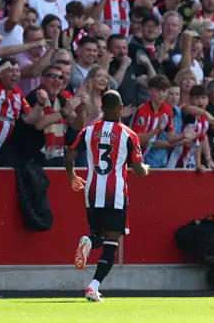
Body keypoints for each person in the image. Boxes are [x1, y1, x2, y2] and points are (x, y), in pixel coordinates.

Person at [66, 90, 150, 302]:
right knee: (111, 243)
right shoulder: (129, 134)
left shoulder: (88, 130)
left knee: (98, 237)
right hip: (116, 195)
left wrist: (73, 177)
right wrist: (146, 168)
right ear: (121, 107)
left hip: (92, 192)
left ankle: (89, 241)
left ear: (102, 108)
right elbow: (139, 170)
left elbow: (69, 156)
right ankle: (93, 287)